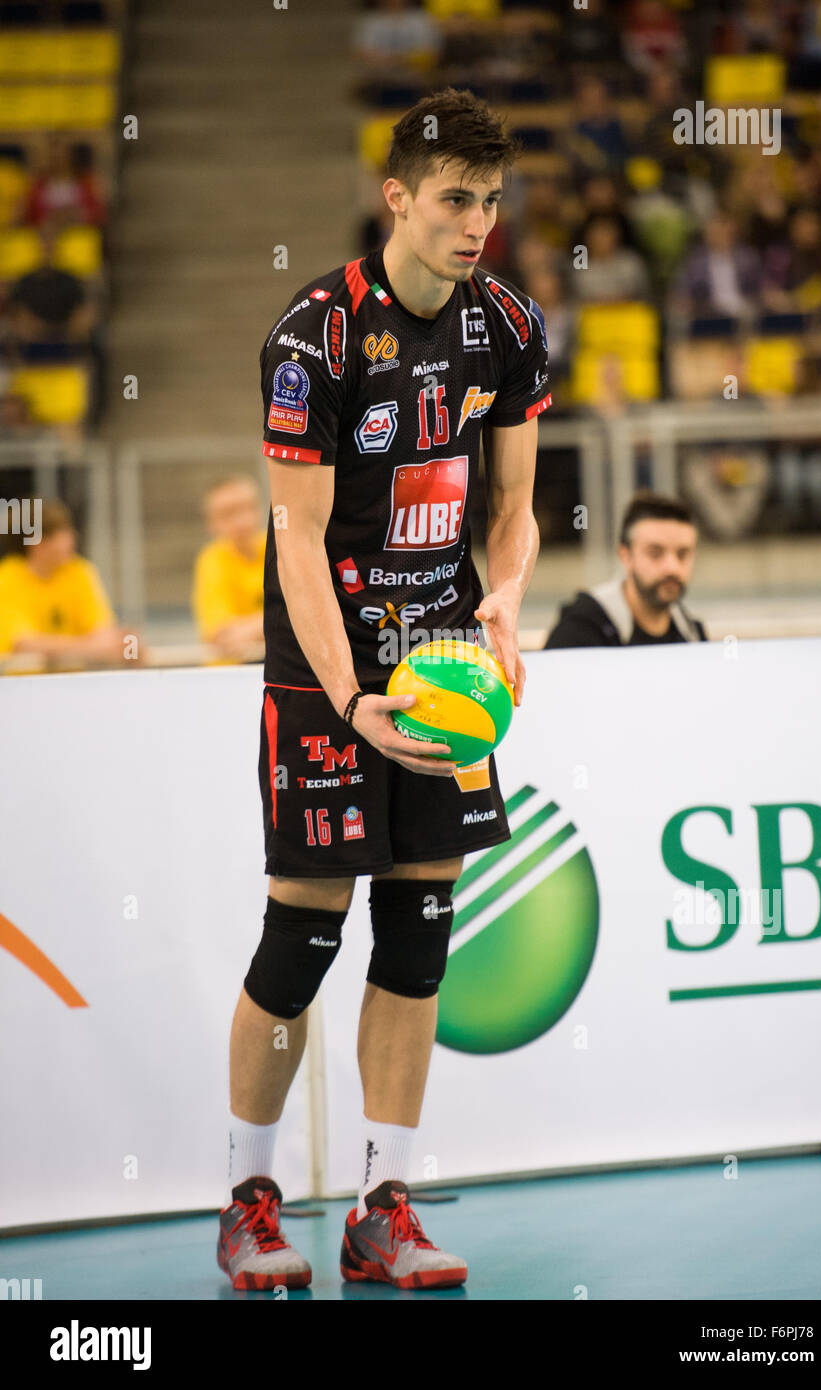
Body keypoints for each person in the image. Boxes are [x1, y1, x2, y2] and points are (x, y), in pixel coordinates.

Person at [218, 86, 552, 1292]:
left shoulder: (507, 326)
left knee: (418, 935)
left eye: (493, 202)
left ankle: (381, 1204)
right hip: (327, 669)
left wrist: (504, 599)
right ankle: (250, 1195)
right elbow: (294, 539)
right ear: (398, 198)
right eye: (456, 200)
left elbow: (513, 510)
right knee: (301, 931)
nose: (477, 224)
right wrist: (353, 695)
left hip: (449, 662)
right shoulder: (313, 338)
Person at [544, 492, 706, 647]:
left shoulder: (692, 633)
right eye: (655, 553)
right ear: (626, 556)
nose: (672, 568)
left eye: (683, 554)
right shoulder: (579, 630)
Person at [0, 499, 134, 667]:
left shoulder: (79, 571)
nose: (73, 537)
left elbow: (104, 633)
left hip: (74, 685)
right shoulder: (6, 579)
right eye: (62, 532)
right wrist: (92, 648)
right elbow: (23, 644)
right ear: (37, 543)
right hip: (23, 687)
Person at [192, 474, 266, 661]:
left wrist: (252, 628)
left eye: (248, 508)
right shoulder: (212, 560)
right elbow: (222, 635)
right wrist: (278, 623)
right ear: (212, 523)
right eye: (228, 514)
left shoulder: (279, 548)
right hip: (232, 672)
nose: (242, 521)